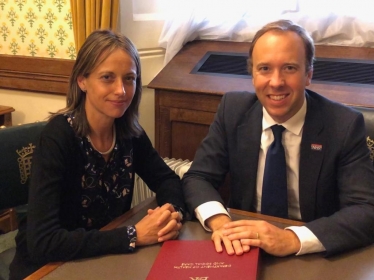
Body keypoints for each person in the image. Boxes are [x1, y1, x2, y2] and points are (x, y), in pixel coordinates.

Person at [183, 19, 374, 258]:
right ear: (252, 75)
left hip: (311, 254)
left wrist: (292, 238)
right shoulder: (233, 110)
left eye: (289, 68)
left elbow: (366, 209)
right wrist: (221, 222)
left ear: (308, 75)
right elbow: (199, 177)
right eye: (265, 69)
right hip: (244, 247)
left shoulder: (343, 125)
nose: (276, 82)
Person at [9, 29, 185, 280]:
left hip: (104, 258)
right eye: (107, 77)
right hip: (47, 268)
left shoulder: (128, 132)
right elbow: (43, 242)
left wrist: (171, 215)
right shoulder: (58, 137)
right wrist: (132, 235)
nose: (121, 90)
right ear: (82, 80)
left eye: (129, 78)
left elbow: (167, 180)